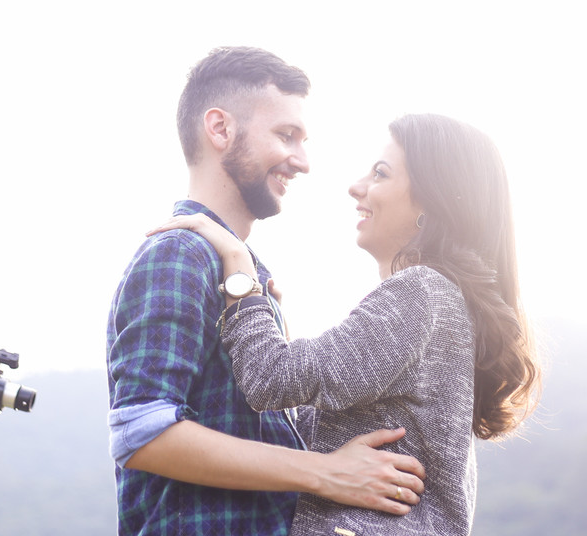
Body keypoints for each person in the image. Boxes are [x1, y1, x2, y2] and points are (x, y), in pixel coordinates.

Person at [151, 112, 541, 535]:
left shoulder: (422, 293)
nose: (356, 187)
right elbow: (302, 422)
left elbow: (270, 380)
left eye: (380, 173)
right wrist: (271, 327)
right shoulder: (444, 305)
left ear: (433, 200)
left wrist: (240, 275)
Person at [106, 47, 427, 536]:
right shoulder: (179, 254)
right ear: (220, 129)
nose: (302, 161)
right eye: (286, 135)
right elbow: (143, 433)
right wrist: (327, 473)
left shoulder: (246, 273)